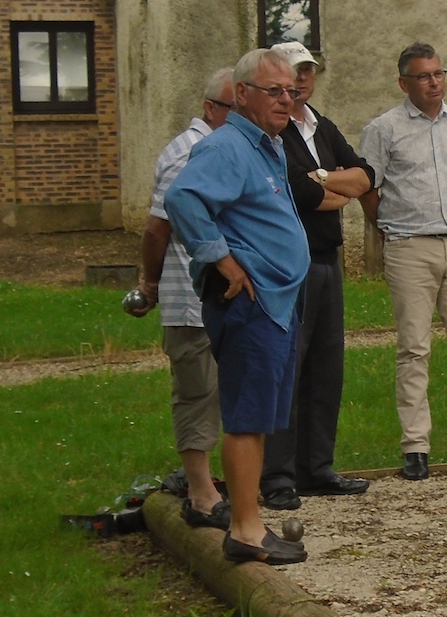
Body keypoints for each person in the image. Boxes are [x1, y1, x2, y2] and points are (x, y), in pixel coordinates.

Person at [165, 48, 311, 565]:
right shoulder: (228, 145)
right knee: (247, 418)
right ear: (242, 95)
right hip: (249, 302)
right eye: (274, 91)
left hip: (275, 300)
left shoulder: (267, 145)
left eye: (291, 90)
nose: (286, 99)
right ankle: (246, 531)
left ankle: (251, 520)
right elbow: (182, 200)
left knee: (260, 415)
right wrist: (221, 260)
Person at [359, 42, 447, 481]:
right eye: (423, 76)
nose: (433, 82)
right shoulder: (384, 129)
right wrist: (391, 229)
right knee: (414, 348)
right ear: (404, 83)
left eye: (438, 74)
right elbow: (367, 188)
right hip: (408, 247)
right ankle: (415, 447)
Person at [259, 41, 374, 510]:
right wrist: (333, 182)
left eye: (307, 72)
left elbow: (364, 177)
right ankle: (279, 475)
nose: (301, 81)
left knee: (327, 368)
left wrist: (325, 180)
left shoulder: (320, 125)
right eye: (292, 74)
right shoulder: (271, 133)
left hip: (329, 258)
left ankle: (317, 466)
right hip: (291, 264)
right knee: (289, 367)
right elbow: (304, 196)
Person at [131, 67, 235, 530]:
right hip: (190, 298)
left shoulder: (225, 147)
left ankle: (211, 482)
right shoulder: (187, 152)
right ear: (211, 107)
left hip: (222, 297)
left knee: (223, 393)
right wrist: (149, 284)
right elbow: (158, 225)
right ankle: (199, 493)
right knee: (196, 392)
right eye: (237, 107)